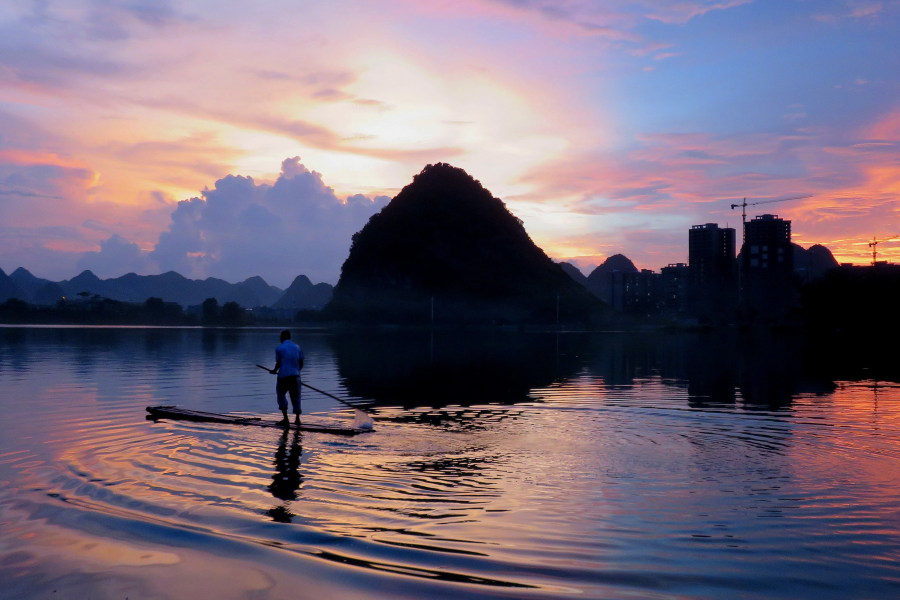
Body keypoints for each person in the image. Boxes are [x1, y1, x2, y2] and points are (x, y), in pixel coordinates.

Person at [266, 330, 304, 426]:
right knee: (296, 397)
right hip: (295, 377)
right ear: (290, 337)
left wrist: (274, 370)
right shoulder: (297, 347)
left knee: (281, 395)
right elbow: (301, 363)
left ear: (282, 337)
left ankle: (286, 419)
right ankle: (297, 419)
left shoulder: (279, 348)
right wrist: (297, 372)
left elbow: (279, 363)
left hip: (283, 376)